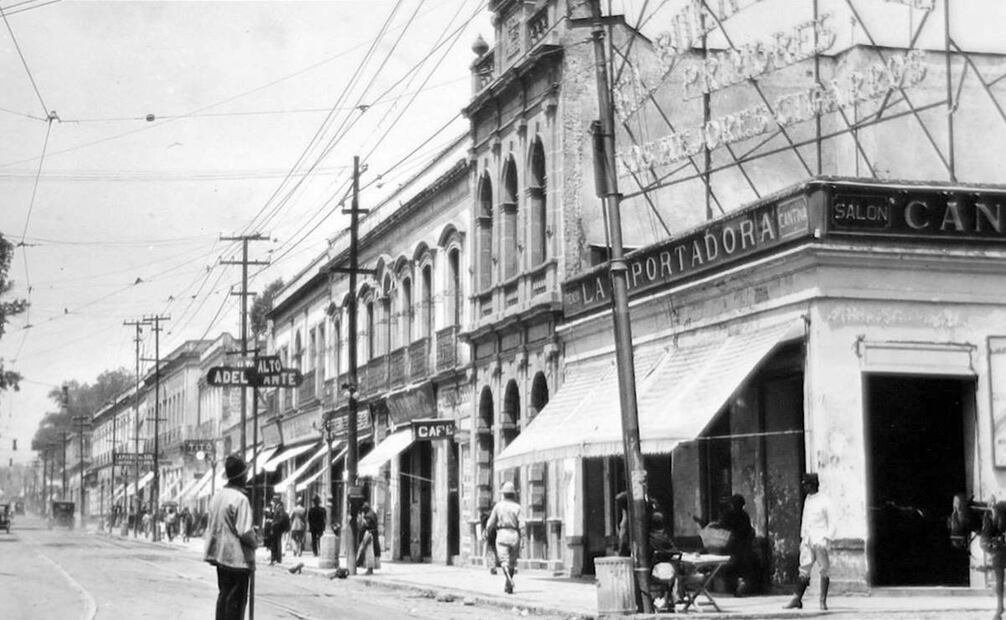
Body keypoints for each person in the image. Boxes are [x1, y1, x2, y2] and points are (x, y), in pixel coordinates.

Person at [203, 453, 258, 620]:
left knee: (224, 596)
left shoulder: (217, 496)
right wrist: (256, 542)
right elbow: (245, 531)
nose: (247, 478)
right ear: (241, 477)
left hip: (220, 555)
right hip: (237, 559)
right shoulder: (240, 499)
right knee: (236, 603)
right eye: (246, 475)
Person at [785, 473, 835, 610]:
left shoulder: (825, 501)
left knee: (823, 569)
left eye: (806, 484)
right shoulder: (808, 499)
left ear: (812, 485)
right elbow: (805, 519)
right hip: (808, 539)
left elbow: (832, 522)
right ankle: (797, 599)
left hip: (820, 539)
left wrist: (827, 538)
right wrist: (803, 537)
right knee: (804, 568)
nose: (804, 487)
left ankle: (822, 601)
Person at [486, 481, 524, 594]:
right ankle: (508, 585)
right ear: (513, 494)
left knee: (503, 561)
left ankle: (508, 578)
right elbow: (522, 525)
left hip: (502, 534)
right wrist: (523, 539)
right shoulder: (517, 507)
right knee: (512, 561)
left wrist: (486, 531)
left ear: (503, 494)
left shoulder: (498, 506)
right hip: (514, 535)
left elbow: (491, 522)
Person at [718, 494, 756, 596]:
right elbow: (749, 530)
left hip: (732, 546)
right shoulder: (744, 515)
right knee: (742, 569)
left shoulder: (729, 515)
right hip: (744, 547)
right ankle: (741, 584)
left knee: (730, 568)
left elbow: (721, 527)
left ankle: (735, 586)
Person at [982, 500, 1006, 620]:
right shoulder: (991, 518)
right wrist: (993, 547)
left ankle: (999, 608)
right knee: (999, 582)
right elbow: (984, 540)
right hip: (1000, 552)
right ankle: (999, 607)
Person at [354, 502, 381, 574]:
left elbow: (366, 525)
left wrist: (361, 522)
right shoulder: (373, 513)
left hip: (370, 535)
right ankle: (369, 568)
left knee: (369, 552)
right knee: (371, 552)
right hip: (373, 534)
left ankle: (370, 569)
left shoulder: (369, 516)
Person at [271, 500, 290, 565]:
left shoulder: (278, 509)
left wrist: (274, 525)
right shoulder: (282, 509)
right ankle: (277, 558)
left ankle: (275, 558)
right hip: (280, 528)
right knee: (278, 543)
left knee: (276, 543)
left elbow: (277, 519)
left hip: (276, 528)